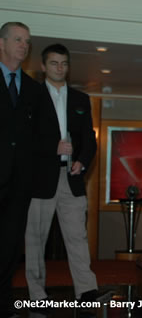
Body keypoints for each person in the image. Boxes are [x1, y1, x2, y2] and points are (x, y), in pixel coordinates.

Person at [24, 43, 99, 304]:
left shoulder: (81, 99)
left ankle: (87, 291)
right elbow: (23, 139)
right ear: (43, 66)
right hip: (40, 180)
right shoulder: (31, 96)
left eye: (64, 63)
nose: (60, 68)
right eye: (54, 63)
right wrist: (51, 148)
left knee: (77, 237)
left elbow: (89, 139)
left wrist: (82, 160)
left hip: (72, 177)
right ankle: (37, 294)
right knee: (35, 240)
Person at [0, 22, 42, 318]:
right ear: (1, 43)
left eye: (27, 41)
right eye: (17, 39)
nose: (23, 46)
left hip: (19, 185)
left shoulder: (32, 89)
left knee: (10, 248)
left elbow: (37, 137)